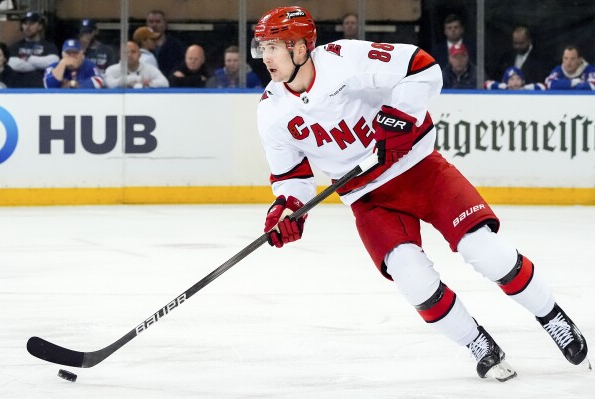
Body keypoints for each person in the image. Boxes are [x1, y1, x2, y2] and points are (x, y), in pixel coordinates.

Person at [251, 6, 589, 381]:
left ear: (301, 48)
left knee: (484, 250)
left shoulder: (345, 60)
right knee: (412, 278)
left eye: (274, 47)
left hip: (420, 169)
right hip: (369, 199)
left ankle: (552, 315)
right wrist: (287, 207)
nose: (266, 57)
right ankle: (476, 341)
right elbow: (291, 175)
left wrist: (398, 117)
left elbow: (423, 67)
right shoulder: (271, 110)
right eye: (262, 47)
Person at [7, 11, 59, 88]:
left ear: (40, 26)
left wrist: (28, 58)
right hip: (18, 90)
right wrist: (40, 64)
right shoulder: (14, 46)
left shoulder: (49, 46)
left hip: (42, 89)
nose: (28, 27)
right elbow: (12, 64)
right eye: (25, 24)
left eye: (32, 24)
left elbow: (53, 62)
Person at [104, 41, 169, 89]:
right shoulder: (111, 69)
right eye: (125, 52)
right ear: (120, 55)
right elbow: (110, 84)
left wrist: (148, 84)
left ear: (140, 54)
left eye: (133, 52)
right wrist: (137, 79)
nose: (129, 55)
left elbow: (165, 83)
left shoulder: (150, 68)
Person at [146, 9, 186, 77]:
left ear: (165, 25)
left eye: (158, 22)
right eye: (151, 22)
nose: (154, 25)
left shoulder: (176, 46)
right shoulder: (140, 46)